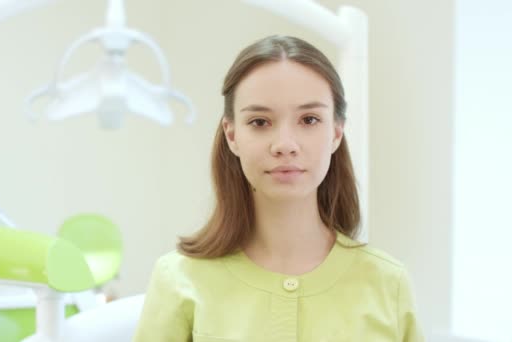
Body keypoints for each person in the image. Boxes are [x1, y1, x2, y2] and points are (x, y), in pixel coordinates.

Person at [133, 35, 423, 342]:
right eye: (260, 122)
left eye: (309, 119)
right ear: (232, 135)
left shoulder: (389, 284)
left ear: (336, 133)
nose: (285, 144)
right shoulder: (177, 279)